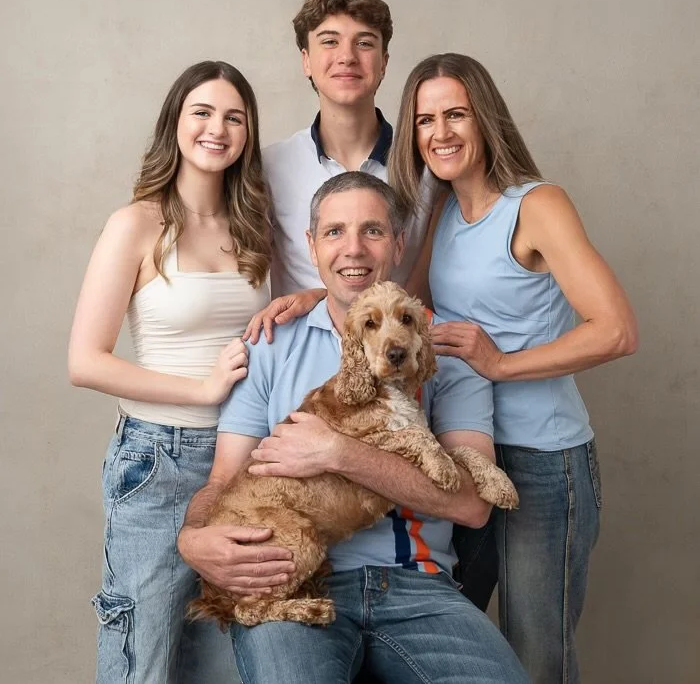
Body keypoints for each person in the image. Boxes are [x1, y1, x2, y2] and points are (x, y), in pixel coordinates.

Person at [177, 172, 529, 684]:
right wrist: (192, 538)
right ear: (312, 246)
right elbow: (221, 481)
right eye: (335, 232)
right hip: (296, 578)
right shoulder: (269, 345)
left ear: (400, 243)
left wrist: (336, 452)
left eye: (373, 231)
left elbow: (472, 505)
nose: (354, 249)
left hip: (419, 585)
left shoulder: (443, 347)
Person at [388, 53, 638, 684]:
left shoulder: (537, 205)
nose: (439, 133)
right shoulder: (442, 211)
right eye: (424, 120)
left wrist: (500, 364)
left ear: (485, 118)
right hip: (466, 453)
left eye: (455, 114)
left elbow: (616, 330)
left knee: (536, 655)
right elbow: (405, 305)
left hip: (543, 461)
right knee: (456, 644)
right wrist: (312, 299)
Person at [68, 61, 282, 683]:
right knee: (145, 660)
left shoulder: (253, 228)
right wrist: (203, 389)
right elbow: (85, 361)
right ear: (176, 123)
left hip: (242, 461)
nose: (218, 128)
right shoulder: (136, 224)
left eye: (234, 117)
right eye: (203, 112)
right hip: (157, 460)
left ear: (248, 133)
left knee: (223, 664)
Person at [259, 0, 432, 312]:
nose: (347, 57)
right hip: (303, 357)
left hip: (401, 356)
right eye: (329, 42)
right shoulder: (270, 167)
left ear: (384, 62)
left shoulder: (426, 164)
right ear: (306, 61)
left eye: (364, 43)